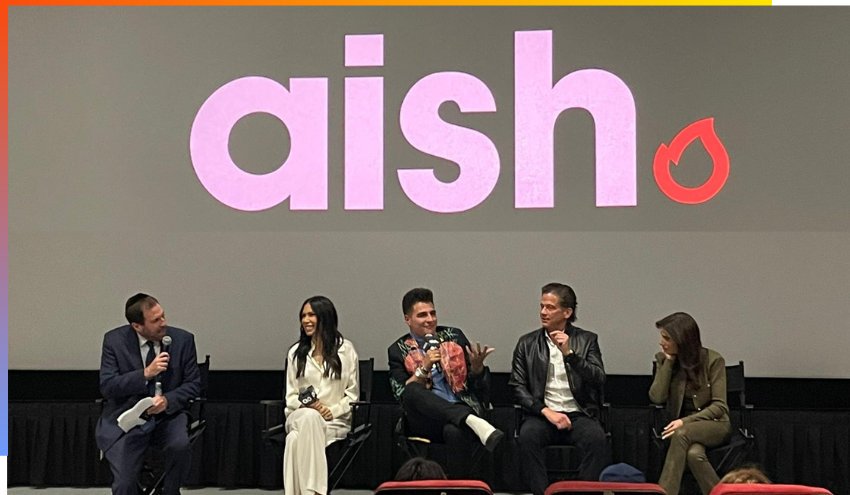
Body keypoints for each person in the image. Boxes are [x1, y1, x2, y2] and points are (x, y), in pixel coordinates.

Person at [388, 288, 504, 479]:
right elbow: (401, 395)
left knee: (454, 431)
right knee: (412, 390)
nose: (430, 319)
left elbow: (479, 389)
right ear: (408, 319)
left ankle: (459, 488)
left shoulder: (454, 336)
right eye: (422, 315)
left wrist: (477, 368)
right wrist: (423, 368)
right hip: (425, 419)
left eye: (432, 313)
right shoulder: (397, 350)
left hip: (460, 406)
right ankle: (471, 420)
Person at [509, 283, 611, 495]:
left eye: (550, 307)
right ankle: (543, 493)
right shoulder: (527, 343)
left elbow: (598, 378)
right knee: (527, 438)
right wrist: (546, 412)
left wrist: (570, 354)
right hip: (542, 414)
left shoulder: (587, 340)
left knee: (597, 440)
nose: (543, 312)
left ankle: (581, 493)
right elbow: (518, 387)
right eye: (542, 306)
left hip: (579, 413)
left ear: (567, 312)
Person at [96, 293, 201, 495]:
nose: (164, 323)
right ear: (137, 326)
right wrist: (145, 374)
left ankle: (170, 491)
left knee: (179, 446)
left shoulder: (183, 340)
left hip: (169, 416)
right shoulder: (114, 341)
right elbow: (108, 386)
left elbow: (193, 384)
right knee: (124, 484)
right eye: (155, 320)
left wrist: (167, 400)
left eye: (163, 316)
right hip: (129, 416)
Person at [284, 295, 359, 495]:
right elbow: (291, 397)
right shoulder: (295, 353)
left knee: (293, 439)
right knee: (309, 418)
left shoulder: (346, 350)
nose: (306, 320)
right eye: (303, 316)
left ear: (325, 317)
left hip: (335, 421)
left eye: (311, 315)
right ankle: (315, 493)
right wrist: (309, 408)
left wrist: (329, 411)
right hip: (299, 416)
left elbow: (352, 395)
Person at [650, 312, 731, 495]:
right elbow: (657, 397)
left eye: (666, 338)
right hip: (681, 430)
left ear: (682, 340)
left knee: (683, 433)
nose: (661, 342)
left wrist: (685, 422)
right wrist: (669, 363)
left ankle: (664, 493)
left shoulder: (713, 360)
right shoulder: (663, 359)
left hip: (714, 425)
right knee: (694, 455)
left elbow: (720, 407)